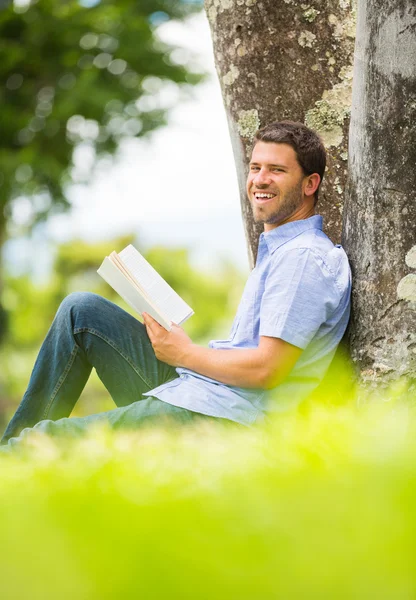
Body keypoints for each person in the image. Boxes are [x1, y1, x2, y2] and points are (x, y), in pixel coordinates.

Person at [0, 121, 351, 450]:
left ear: (310, 184)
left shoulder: (303, 258)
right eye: (256, 167)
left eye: (277, 170)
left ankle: (15, 459)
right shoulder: (282, 251)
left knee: (46, 440)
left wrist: (183, 353)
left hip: (226, 417)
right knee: (82, 311)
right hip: (203, 391)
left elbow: (267, 369)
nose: (260, 179)